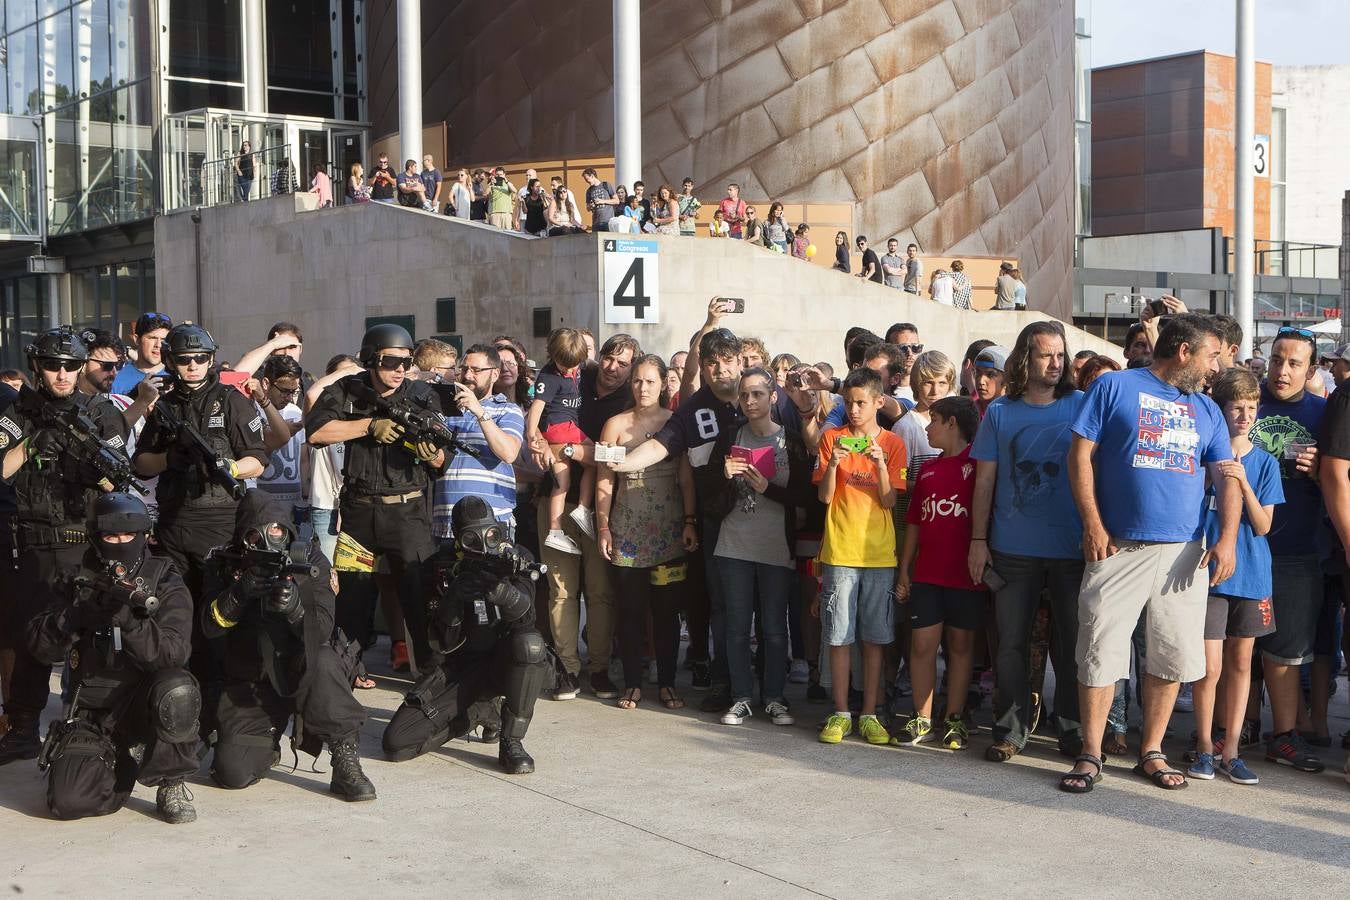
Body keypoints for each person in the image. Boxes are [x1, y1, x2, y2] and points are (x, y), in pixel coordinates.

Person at [1059, 314, 1238, 793]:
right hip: (1118, 547)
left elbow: (1226, 475)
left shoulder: (1207, 408)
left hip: (1184, 554)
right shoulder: (1115, 387)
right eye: (1211, 356)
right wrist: (1093, 524)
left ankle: (1151, 751)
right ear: (1183, 351)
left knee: (1171, 655)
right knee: (1099, 652)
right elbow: (1079, 456)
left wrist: (1227, 539)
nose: (1215, 367)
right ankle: (1091, 753)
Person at [0, 329, 132, 765]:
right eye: (54, 365)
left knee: (93, 635)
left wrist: (90, 464)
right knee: (30, 638)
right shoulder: (19, 411)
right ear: (37, 366)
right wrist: (32, 442)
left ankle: (92, 721)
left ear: (81, 368)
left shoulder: (101, 412)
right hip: (34, 545)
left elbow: (121, 478)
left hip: (86, 543)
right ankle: (22, 729)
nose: (62, 374)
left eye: (71, 366)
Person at [25, 493, 200, 822]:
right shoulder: (75, 576)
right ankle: (122, 760)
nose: (120, 542)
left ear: (143, 535)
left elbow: (174, 654)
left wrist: (132, 624)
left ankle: (171, 781)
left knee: (177, 688)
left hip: (145, 702)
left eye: (127, 535)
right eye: (110, 536)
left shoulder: (164, 578)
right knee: (68, 801)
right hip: (94, 710)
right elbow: (38, 646)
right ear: (95, 536)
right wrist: (76, 615)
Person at [132, 324, 268, 741]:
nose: (192, 366)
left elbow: (258, 459)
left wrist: (227, 467)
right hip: (174, 525)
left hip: (220, 524)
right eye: (184, 359)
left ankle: (222, 708)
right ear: (170, 361)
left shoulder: (231, 401)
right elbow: (141, 464)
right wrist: (172, 457)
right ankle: (180, 703)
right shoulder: (163, 405)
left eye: (200, 359)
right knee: (177, 617)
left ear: (211, 360)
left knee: (221, 617)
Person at [201, 490, 375, 800]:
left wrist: (297, 611)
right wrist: (238, 596)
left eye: (277, 529)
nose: (270, 539)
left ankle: (344, 754)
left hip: (303, 667)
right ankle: (267, 744)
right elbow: (209, 628)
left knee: (322, 659)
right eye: (257, 534)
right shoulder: (223, 564)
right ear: (243, 537)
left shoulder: (308, 558)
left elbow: (322, 630)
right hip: (253, 680)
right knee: (232, 773)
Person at [968, 321, 1086, 763]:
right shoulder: (1000, 412)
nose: (1055, 363)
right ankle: (1010, 729)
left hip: (1072, 548)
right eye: (1045, 355)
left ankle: (1073, 730)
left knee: (1073, 643)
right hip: (1012, 548)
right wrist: (978, 540)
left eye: (1060, 355)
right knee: (1011, 644)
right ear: (1025, 359)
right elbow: (984, 483)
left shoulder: (1082, 405)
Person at [613, 325, 746, 713]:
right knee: (720, 607)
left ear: (740, 361)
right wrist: (619, 461)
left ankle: (766, 691)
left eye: (726, 362)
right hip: (716, 522)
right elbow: (658, 447)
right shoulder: (691, 411)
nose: (720, 370)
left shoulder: (761, 395)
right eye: (711, 364)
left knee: (767, 616)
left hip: (767, 522)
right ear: (702, 368)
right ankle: (724, 685)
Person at [306, 324, 447, 683]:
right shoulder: (346, 391)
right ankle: (344, 678)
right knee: (352, 601)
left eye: (406, 361)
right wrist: (369, 426)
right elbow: (317, 431)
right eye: (392, 361)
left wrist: (430, 454)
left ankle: (431, 684)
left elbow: (440, 457)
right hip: (359, 512)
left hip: (408, 511)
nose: (400, 369)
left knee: (419, 600)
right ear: (371, 359)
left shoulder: (420, 393)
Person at [382, 497, 549, 774]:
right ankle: (477, 713)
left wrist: (504, 594)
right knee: (397, 743)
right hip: (461, 668)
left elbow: (527, 619)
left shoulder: (515, 559)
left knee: (530, 644)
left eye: (491, 535)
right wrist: (453, 600)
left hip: (505, 665)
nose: (484, 545)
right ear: (459, 540)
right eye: (472, 538)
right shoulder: (438, 567)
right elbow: (437, 645)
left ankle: (512, 741)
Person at [1187, 368, 1281, 785]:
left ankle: (1232, 750)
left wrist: (1242, 484)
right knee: (1209, 667)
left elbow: (1263, 526)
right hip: (1208, 574)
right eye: (1236, 408)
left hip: (1252, 574)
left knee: (1242, 663)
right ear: (1220, 409)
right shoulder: (1203, 455)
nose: (1244, 416)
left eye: (1251, 408)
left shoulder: (1265, 463)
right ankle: (1203, 746)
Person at [711, 366, 813, 726]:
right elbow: (710, 493)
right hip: (734, 544)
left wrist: (768, 488)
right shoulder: (729, 436)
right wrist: (724, 477)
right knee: (737, 627)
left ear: (773, 397)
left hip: (775, 547)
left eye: (757, 393)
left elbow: (805, 496)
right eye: (744, 394)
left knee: (774, 627)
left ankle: (774, 697)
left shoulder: (791, 440)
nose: (750, 401)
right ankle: (741, 696)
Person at [541, 334, 638, 702]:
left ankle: (598, 669)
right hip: (554, 501)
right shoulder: (571, 377)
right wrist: (554, 446)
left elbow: (610, 456)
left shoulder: (629, 400)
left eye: (623, 363)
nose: (613, 368)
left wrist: (569, 448)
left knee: (600, 592)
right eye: (610, 358)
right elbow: (538, 428)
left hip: (600, 506)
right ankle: (567, 669)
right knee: (561, 591)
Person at [1249, 326, 1328, 773]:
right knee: (1235, 645)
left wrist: (1322, 469)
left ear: (1310, 369)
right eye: (1278, 359)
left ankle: (1285, 735)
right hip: (1242, 542)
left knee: (1288, 649)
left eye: (1294, 362)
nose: (1282, 370)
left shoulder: (1324, 412)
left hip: (1298, 547)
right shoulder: (1245, 402)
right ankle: (1231, 727)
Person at [596, 354, 695, 711]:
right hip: (626, 528)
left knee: (667, 612)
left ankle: (667, 683)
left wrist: (689, 521)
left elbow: (685, 478)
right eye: (637, 381)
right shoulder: (615, 425)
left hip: (668, 529)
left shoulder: (675, 422)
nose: (643, 388)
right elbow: (604, 478)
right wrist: (604, 526)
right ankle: (633, 684)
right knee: (631, 611)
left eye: (651, 381)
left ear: (664, 383)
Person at [814, 368, 906, 745]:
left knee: (875, 637)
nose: (853, 410)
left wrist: (881, 463)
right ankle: (840, 711)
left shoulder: (894, 443)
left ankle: (869, 712)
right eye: (848, 403)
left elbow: (889, 499)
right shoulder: (831, 438)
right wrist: (834, 463)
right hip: (839, 550)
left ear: (878, 402)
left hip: (879, 555)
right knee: (838, 636)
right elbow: (823, 497)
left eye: (861, 403)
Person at [894, 396, 984, 749]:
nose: (927, 428)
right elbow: (914, 522)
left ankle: (955, 718)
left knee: (961, 646)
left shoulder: (979, 466)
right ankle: (922, 718)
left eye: (933, 421)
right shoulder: (928, 469)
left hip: (966, 576)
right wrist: (905, 569)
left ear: (952, 424)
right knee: (921, 645)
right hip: (927, 575)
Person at [527, 329, 594, 556]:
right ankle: (583, 508)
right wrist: (532, 438)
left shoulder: (578, 365)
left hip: (564, 430)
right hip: (561, 428)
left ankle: (555, 530)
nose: (569, 369)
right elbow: (535, 409)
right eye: (564, 365)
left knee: (562, 480)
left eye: (574, 365)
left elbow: (589, 364)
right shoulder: (549, 377)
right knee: (597, 457)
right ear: (551, 354)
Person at [110, 311, 173, 395]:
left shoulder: (179, 375)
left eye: (163, 340)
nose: (158, 345)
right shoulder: (116, 379)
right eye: (152, 338)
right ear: (137, 339)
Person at [972, 345, 1009, 416]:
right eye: (977, 372)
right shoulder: (966, 413)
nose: (981, 381)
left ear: (1006, 378)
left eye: (990, 374)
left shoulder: (1014, 414)